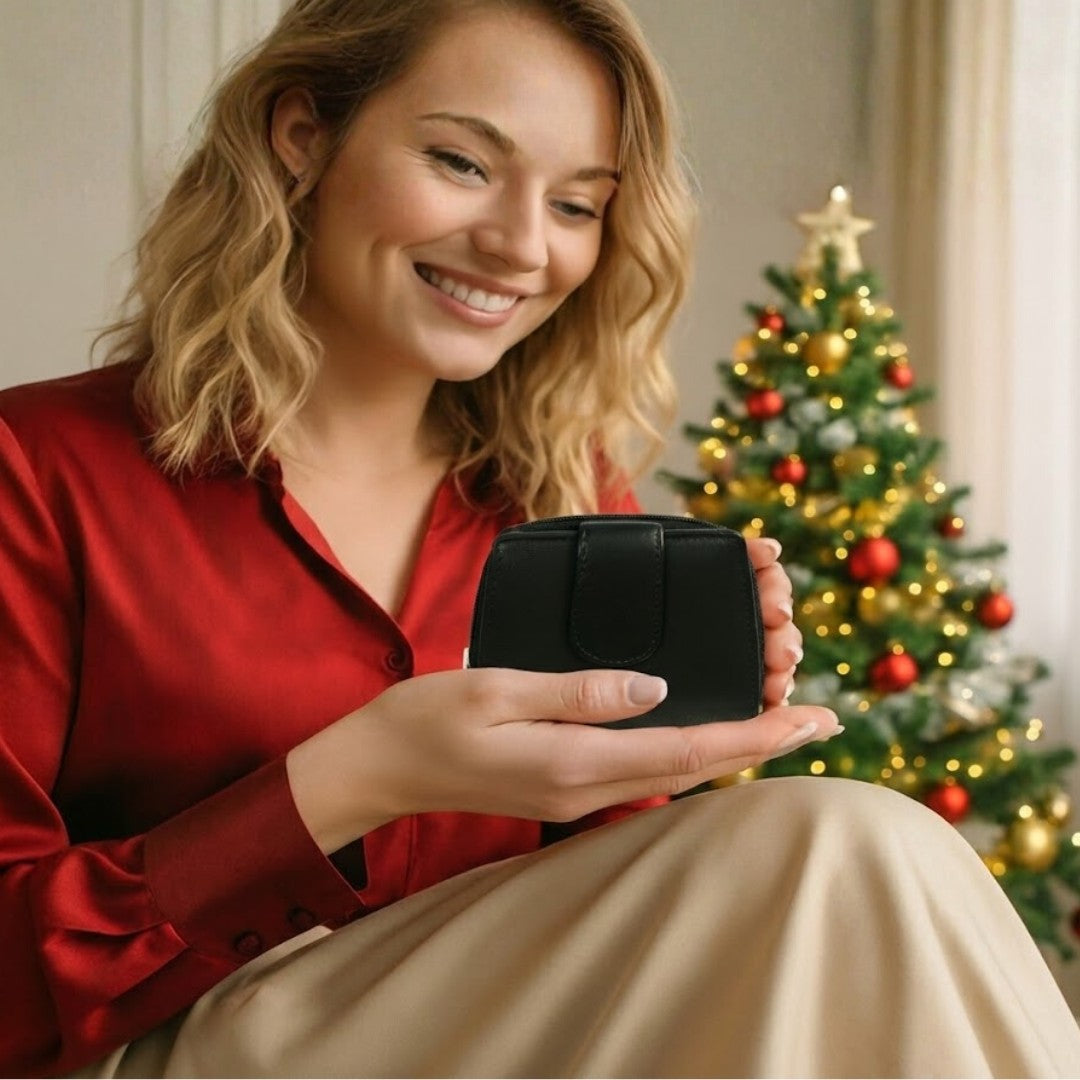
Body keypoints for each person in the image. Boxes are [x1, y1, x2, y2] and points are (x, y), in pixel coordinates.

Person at [2, 0, 1079, 1076]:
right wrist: (353, 780)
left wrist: (674, 749)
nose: (523, 245)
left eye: (575, 203)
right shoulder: (37, 470)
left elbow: (611, 924)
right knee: (840, 842)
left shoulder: (560, 500)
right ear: (302, 136)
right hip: (151, 1050)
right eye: (463, 163)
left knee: (858, 854)